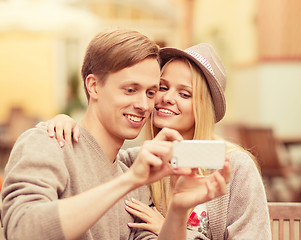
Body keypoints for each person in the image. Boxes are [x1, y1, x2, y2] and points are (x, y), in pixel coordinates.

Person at [1, 29, 230, 240]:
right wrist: (127, 182)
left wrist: (178, 211)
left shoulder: (135, 178)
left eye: (151, 92)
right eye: (130, 90)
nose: (144, 104)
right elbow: (22, 230)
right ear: (93, 86)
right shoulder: (47, 143)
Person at [37, 43, 270, 239]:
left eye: (184, 94)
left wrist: (169, 229)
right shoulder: (138, 161)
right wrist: (66, 122)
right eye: (162, 87)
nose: (167, 98)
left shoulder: (232, 166)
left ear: (202, 107)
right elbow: (98, 156)